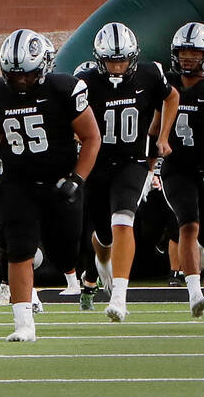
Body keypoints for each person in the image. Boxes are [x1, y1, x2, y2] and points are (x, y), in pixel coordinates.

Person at [0, 29, 100, 342]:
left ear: (43, 66)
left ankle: (83, 274)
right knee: (19, 249)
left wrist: (77, 178)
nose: (19, 82)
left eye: (27, 75)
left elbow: (91, 137)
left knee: (65, 251)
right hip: (18, 183)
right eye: (13, 75)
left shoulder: (63, 89)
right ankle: (24, 324)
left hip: (60, 181)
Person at [75, 22, 178, 322]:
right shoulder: (85, 81)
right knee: (104, 236)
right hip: (97, 162)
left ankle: (120, 297)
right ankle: (102, 263)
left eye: (122, 60)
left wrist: (161, 136)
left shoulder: (149, 73)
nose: (118, 67)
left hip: (133, 161)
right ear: (99, 59)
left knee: (123, 220)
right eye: (111, 61)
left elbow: (171, 97)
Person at [159, 22, 204, 317]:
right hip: (176, 167)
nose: (188, 59)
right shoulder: (164, 84)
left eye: (195, 53)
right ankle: (194, 292)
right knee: (188, 223)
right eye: (183, 53)